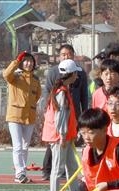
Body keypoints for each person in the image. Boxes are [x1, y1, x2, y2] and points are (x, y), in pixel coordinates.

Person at [40, 44, 88, 181]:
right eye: (63, 54)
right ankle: (48, 170)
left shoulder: (80, 73)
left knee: (71, 143)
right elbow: (47, 93)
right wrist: (46, 110)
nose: (66, 56)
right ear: (59, 56)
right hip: (58, 113)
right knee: (56, 143)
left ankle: (68, 172)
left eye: (69, 54)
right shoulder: (53, 72)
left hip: (74, 112)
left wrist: (83, 113)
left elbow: (84, 95)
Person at [41, 59, 81, 191]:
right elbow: (60, 117)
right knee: (57, 168)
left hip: (65, 136)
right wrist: (63, 136)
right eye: (76, 73)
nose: (77, 76)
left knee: (71, 167)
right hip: (59, 137)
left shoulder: (62, 90)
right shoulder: (62, 93)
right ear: (71, 74)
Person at [3, 51, 41, 183]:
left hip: (29, 116)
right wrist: (16, 61)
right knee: (18, 146)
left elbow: (37, 96)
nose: (28, 63)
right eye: (25, 61)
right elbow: (6, 74)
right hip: (15, 115)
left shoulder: (36, 80)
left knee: (25, 146)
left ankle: (23, 172)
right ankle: (19, 173)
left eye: (31, 61)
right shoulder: (15, 76)